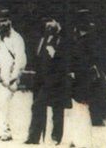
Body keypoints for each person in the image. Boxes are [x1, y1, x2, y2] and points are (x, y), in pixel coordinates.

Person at [67, 9, 106, 148]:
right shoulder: (92, 39)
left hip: (85, 81)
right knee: (88, 112)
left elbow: (84, 61)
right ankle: (80, 141)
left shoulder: (84, 40)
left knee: (82, 112)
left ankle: (82, 142)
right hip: (90, 81)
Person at [25, 16, 70, 145]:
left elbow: (66, 60)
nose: (48, 25)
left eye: (51, 22)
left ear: (58, 23)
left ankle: (56, 137)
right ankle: (34, 137)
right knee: (38, 106)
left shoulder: (63, 40)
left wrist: (55, 54)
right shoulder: (43, 38)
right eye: (47, 23)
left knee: (57, 109)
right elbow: (38, 58)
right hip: (42, 80)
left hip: (57, 80)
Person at [0, 8, 26, 141]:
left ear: (10, 21)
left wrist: (14, 77)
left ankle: (7, 131)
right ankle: (2, 129)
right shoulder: (0, 38)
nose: (2, 24)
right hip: (0, 77)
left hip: (10, 77)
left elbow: (20, 60)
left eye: (4, 21)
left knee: (6, 104)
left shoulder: (17, 39)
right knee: (0, 104)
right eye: (0, 21)